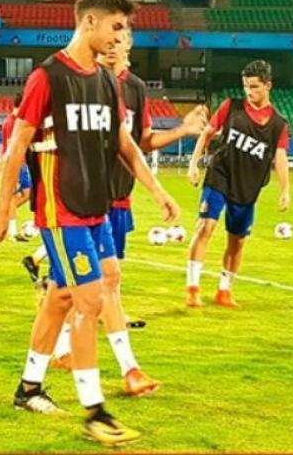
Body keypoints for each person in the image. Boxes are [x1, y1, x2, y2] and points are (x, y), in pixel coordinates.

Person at [0, 0, 179, 446]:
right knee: (89, 301)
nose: (119, 36)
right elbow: (17, 147)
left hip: (97, 210)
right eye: (115, 26)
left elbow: (125, 145)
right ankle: (95, 412)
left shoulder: (109, 82)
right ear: (89, 21)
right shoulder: (47, 78)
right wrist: (2, 208)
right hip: (60, 212)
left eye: (123, 29)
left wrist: (157, 190)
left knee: (71, 294)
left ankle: (29, 387)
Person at [45, 27, 208, 396]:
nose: (115, 45)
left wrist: (181, 132)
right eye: (110, 37)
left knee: (88, 284)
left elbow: (140, 142)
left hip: (116, 200)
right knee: (94, 283)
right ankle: (117, 368)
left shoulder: (133, 88)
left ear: (130, 45)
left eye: (122, 39)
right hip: (77, 202)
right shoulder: (76, 82)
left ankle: (62, 353)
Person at [185, 60, 291, 308]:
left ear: (268, 86)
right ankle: (192, 288)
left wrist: (285, 189)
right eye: (245, 86)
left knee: (237, 240)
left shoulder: (278, 125)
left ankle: (224, 290)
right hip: (219, 174)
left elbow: (280, 157)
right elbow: (208, 132)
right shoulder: (231, 107)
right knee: (206, 227)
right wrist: (194, 163)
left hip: (248, 186)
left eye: (254, 87)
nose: (249, 92)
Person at [0, 92, 34, 242]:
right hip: (17, 164)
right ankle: (12, 232)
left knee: (27, 194)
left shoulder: (15, 120)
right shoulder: (13, 121)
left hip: (23, 163)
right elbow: (11, 145)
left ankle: (7, 213)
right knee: (14, 197)